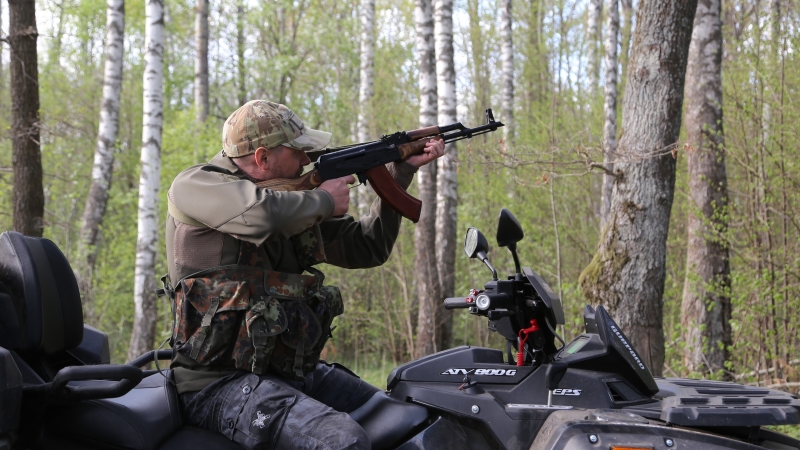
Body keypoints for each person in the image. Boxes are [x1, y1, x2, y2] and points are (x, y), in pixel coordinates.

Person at [164, 100, 444, 450]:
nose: (307, 159)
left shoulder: (292, 200)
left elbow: (367, 246)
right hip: (215, 385)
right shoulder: (195, 185)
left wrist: (398, 173)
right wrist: (324, 201)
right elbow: (262, 215)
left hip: (286, 374)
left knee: (403, 417)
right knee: (345, 442)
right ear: (263, 158)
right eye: (298, 151)